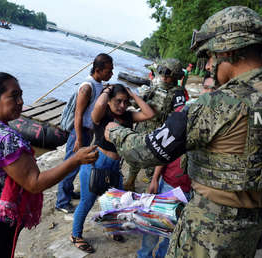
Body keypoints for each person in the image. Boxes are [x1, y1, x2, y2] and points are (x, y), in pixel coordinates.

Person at [105, 6, 262, 258]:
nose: (210, 65)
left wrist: (116, 132)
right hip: (251, 233)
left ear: (229, 50)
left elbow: (148, 151)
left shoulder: (217, 105)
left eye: (212, 56)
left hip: (204, 234)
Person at [0, 72, 98, 258]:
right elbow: (35, 183)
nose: (20, 101)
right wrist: (75, 160)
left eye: (21, 95)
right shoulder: (7, 138)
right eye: (14, 96)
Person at [137, 76, 215, 258]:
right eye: (206, 88)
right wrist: (155, 178)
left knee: (175, 234)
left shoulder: (222, 123)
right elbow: (165, 151)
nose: (209, 93)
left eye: (214, 89)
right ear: (202, 90)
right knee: (154, 227)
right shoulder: (183, 113)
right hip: (169, 185)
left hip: (196, 192)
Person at [70, 84, 154, 253]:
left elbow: (149, 114)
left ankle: (111, 229)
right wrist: (108, 90)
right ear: (108, 101)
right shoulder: (102, 115)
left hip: (115, 167)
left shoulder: (129, 116)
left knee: (117, 202)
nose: (122, 105)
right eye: (118, 101)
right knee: (87, 202)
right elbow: (99, 106)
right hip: (96, 163)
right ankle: (76, 235)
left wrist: (132, 94)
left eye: (125, 102)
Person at [55, 53, 114, 214]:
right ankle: (62, 202)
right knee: (70, 165)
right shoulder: (87, 87)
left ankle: (68, 192)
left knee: (77, 165)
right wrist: (79, 139)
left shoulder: (98, 84)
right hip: (79, 132)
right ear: (98, 70)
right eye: (108, 70)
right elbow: (78, 114)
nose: (111, 74)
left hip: (88, 131)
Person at [124, 58, 187, 191]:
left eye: (168, 76)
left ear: (175, 76)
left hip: (160, 130)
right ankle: (130, 181)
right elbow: (140, 102)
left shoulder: (178, 93)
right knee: (136, 155)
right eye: (162, 74)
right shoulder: (154, 86)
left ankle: (151, 185)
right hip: (144, 126)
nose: (164, 78)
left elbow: (179, 114)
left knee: (155, 161)